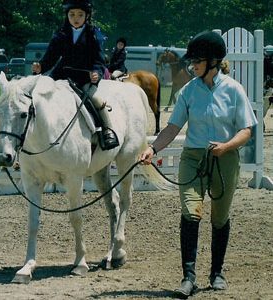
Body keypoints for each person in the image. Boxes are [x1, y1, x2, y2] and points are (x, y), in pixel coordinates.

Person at [140, 31, 258, 298]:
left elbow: (246, 130)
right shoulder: (188, 91)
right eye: (192, 61)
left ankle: (217, 273)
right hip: (193, 158)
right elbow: (172, 127)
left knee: (220, 217)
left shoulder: (234, 90)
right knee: (191, 213)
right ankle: (188, 277)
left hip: (224, 158)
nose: (192, 66)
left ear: (213, 62)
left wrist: (227, 146)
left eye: (197, 61)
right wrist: (152, 148)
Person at [32, 0, 119, 150]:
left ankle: (107, 131)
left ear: (87, 16)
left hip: (84, 76)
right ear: (67, 16)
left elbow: (99, 61)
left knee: (96, 99)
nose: (76, 18)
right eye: (72, 15)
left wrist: (97, 74)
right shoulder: (60, 34)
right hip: (61, 74)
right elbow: (50, 57)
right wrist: (41, 66)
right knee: (39, 94)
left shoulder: (93, 34)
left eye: (80, 14)